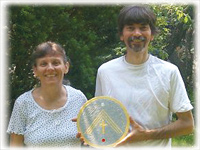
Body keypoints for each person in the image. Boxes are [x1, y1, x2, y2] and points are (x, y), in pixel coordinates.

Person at [95, 5, 194, 148]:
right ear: (121, 34)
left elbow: (187, 124)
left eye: (143, 28)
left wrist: (146, 135)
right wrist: (89, 129)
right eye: (130, 28)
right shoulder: (105, 72)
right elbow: (102, 117)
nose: (137, 33)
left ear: (152, 34)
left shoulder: (169, 72)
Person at [7, 41, 87, 147]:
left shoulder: (79, 99)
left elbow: (93, 139)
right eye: (43, 64)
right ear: (35, 70)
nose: (50, 68)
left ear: (66, 67)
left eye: (55, 63)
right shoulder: (23, 103)